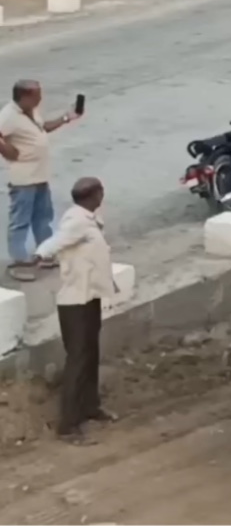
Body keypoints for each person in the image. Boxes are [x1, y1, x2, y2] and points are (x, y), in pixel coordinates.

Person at [34, 177, 116, 442]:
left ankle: (90, 406)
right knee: (78, 360)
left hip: (89, 297)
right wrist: (39, 255)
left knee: (91, 354)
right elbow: (56, 242)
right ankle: (68, 424)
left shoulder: (89, 218)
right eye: (101, 191)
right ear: (94, 195)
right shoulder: (77, 221)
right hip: (75, 304)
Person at [2, 79, 81, 282]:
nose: (40, 99)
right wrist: (10, 151)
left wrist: (66, 118)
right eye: (37, 95)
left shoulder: (31, 111)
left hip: (40, 175)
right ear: (25, 97)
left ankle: (44, 254)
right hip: (23, 179)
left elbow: (42, 128)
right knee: (20, 221)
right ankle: (20, 263)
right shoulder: (9, 116)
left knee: (42, 217)